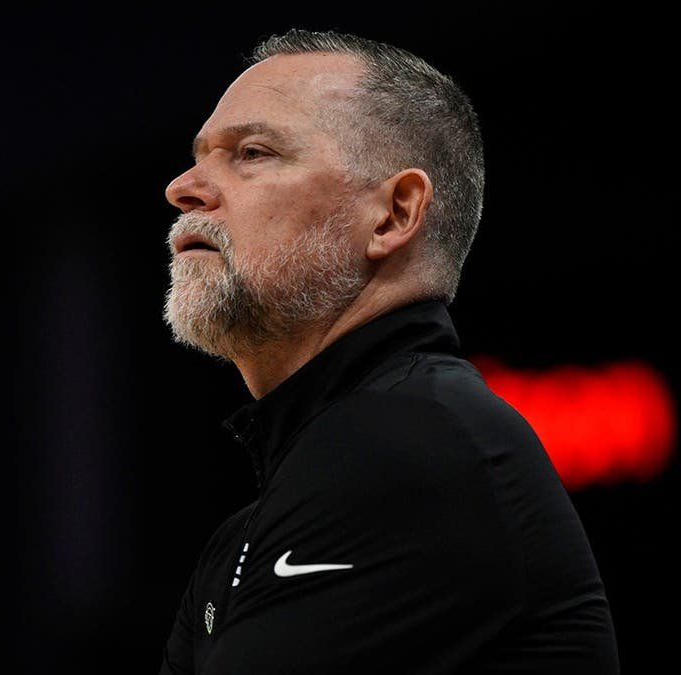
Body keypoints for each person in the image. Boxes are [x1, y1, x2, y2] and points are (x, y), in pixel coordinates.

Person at [157, 29, 619, 674]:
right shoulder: (244, 534)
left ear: (394, 214)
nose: (183, 188)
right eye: (199, 157)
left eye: (252, 153)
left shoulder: (413, 443)